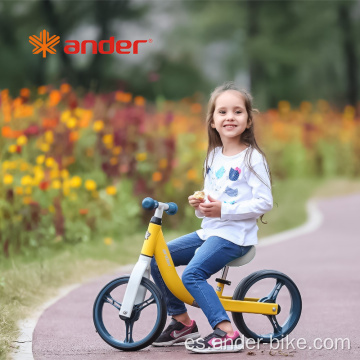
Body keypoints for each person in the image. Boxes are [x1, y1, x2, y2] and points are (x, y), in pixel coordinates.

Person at [150, 81, 274, 353]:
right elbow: (212, 200)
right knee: (160, 259)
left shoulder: (252, 159)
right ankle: (181, 321)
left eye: (238, 112)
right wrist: (200, 204)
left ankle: (226, 331)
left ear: (249, 120)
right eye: (223, 112)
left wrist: (223, 210)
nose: (230, 117)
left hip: (234, 236)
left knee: (192, 274)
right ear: (213, 122)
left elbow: (265, 202)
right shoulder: (214, 156)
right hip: (211, 231)